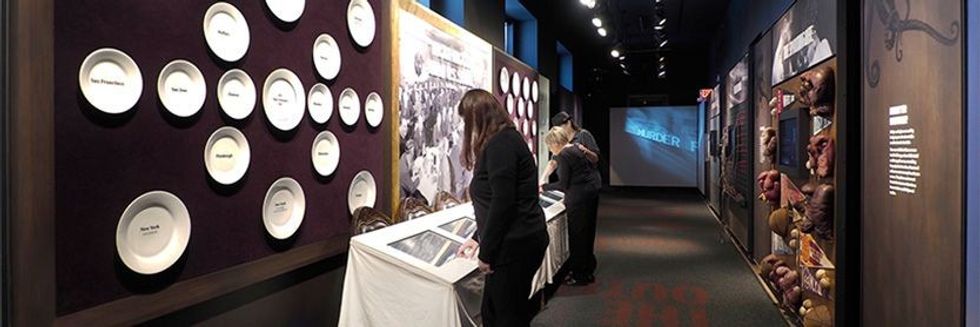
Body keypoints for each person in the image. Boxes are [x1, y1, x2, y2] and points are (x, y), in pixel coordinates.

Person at [455, 89, 549, 327]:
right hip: (519, 242)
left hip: (515, 247)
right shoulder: (505, 140)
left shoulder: (501, 144)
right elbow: (503, 200)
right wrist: (478, 238)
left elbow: (503, 203)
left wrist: (487, 253)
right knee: (496, 312)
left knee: (505, 317)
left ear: (478, 117)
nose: (467, 128)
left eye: (467, 120)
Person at [546, 112, 602, 285]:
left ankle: (581, 273)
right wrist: (543, 178)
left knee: (579, 234)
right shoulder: (572, 148)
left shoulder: (581, 138)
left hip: (581, 195)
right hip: (586, 191)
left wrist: (544, 187)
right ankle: (584, 269)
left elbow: (564, 182)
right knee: (585, 232)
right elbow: (553, 164)